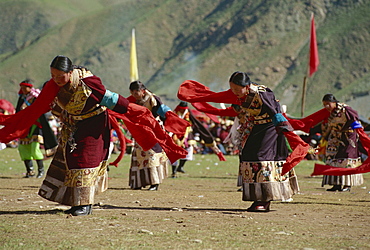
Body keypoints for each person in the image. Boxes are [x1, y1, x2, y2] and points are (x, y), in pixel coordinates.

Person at [0, 55, 187, 216]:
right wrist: (11, 125)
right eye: (52, 75)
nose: (56, 79)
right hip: (73, 126)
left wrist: (134, 111)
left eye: (59, 75)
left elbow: (111, 99)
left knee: (84, 161)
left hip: (95, 125)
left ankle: (85, 205)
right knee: (72, 161)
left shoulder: (88, 82)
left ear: (70, 72)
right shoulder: (52, 86)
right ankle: (75, 202)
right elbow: (36, 109)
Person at [178, 71, 309, 212]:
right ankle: (256, 198)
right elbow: (217, 98)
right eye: (232, 89)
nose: (234, 92)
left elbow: (275, 112)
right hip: (255, 128)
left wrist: (288, 132)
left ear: (246, 86)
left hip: (270, 129)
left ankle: (265, 200)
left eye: (236, 89)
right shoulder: (239, 96)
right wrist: (195, 99)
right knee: (247, 156)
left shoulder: (262, 93)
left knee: (261, 158)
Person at [127, 81, 170, 191]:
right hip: (140, 132)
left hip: (153, 130)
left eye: (136, 93)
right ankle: (139, 182)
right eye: (132, 93)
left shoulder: (153, 99)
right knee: (139, 156)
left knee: (152, 155)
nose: (134, 95)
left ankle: (154, 183)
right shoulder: (133, 100)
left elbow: (163, 112)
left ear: (141, 91)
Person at [318, 94, 363, 192]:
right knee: (333, 159)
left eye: (328, 104)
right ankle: (336, 184)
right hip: (335, 138)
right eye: (324, 104)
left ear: (334, 102)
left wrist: (353, 129)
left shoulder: (345, 109)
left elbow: (355, 118)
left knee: (346, 159)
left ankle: (347, 185)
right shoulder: (330, 113)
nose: (326, 106)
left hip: (348, 138)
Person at [16, 79, 58, 178]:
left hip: (36, 126)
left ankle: (41, 171)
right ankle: (30, 171)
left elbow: (40, 111)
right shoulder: (22, 98)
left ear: (30, 87)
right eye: (21, 87)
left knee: (34, 149)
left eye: (24, 87)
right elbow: (18, 111)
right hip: (25, 127)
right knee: (23, 148)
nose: (22, 89)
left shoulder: (36, 97)